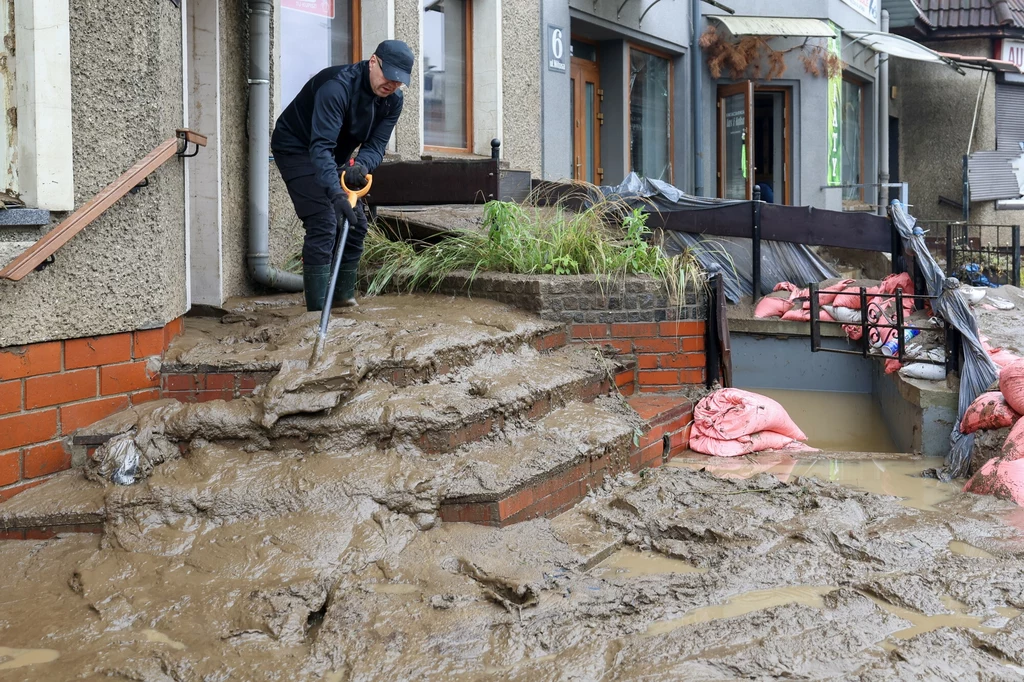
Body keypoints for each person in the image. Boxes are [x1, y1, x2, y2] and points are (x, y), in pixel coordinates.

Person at [271, 40, 414, 311]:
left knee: (357, 223)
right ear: (373, 62)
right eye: (389, 76)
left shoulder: (393, 101)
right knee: (324, 220)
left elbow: (376, 146)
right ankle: (317, 309)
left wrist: (360, 167)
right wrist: (335, 193)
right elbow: (320, 147)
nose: (393, 84)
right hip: (296, 147)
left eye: (399, 81)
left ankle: (342, 298)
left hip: (333, 155)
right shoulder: (336, 88)